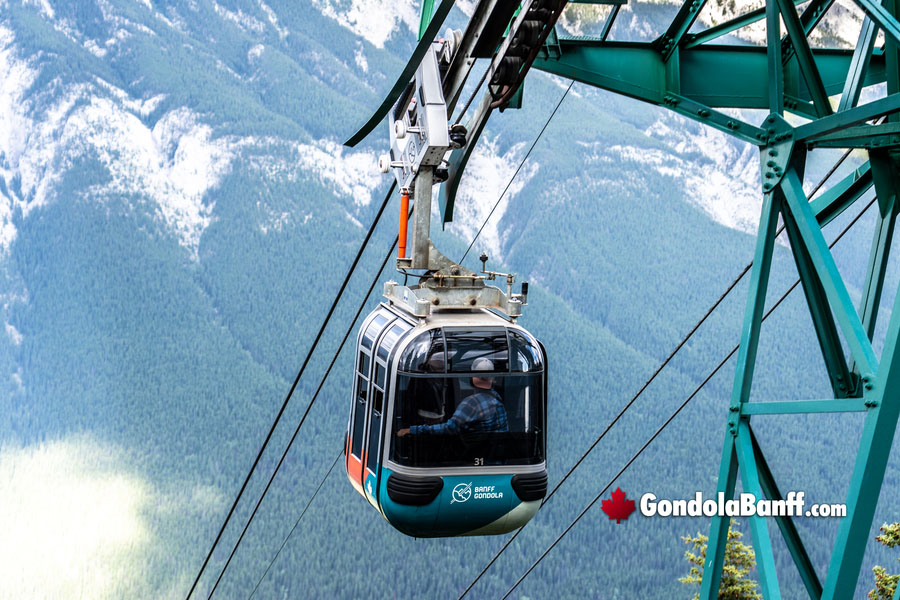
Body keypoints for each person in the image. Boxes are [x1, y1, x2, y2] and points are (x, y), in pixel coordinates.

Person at [397, 357, 508, 437]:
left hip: (473, 459)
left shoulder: (472, 404)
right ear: (493, 379)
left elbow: (449, 428)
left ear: (473, 378)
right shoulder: (497, 399)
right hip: (494, 458)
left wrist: (411, 430)